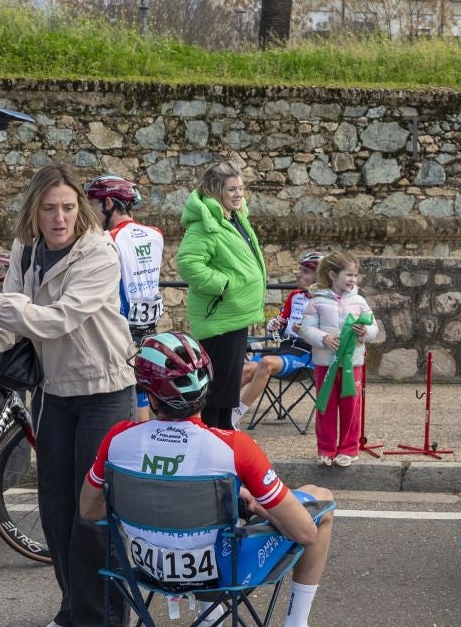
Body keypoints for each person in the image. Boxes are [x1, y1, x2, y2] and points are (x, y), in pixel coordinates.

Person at [0, 164, 138, 627]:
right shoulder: (27, 250)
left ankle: (107, 614)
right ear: (34, 209)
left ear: (82, 209)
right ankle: (73, 605)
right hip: (52, 390)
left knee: (91, 506)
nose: (59, 217)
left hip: (103, 389)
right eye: (49, 208)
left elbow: (55, 320)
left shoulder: (101, 253)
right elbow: (15, 323)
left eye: (69, 207)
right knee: (54, 506)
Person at [79, 331, 353, 627]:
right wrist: (257, 506)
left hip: (148, 569)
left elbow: (89, 510)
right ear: (206, 387)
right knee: (319, 501)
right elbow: (303, 533)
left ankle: (208, 617)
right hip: (220, 573)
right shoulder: (233, 447)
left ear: (150, 395)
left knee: (199, 512)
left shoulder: (118, 439)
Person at [176, 161, 268, 430]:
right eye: (231, 189)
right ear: (216, 191)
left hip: (234, 315)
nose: (238, 194)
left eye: (240, 188)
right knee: (218, 389)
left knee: (227, 387)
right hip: (220, 316)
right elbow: (188, 264)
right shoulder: (206, 224)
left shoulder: (235, 218)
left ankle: (222, 436)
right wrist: (224, 285)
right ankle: (215, 438)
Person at [86, 174, 165, 420]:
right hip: (149, 327)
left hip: (120, 329)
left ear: (108, 203)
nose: (90, 215)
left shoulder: (107, 240)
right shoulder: (156, 234)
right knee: (143, 396)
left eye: (92, 207)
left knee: (120, 404)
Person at [298, 252, 385, 467]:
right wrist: (323, 338)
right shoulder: (315, 302)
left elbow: (373, 328)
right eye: (348, 274)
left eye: (355, 275)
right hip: (324, 365)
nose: (353, 279)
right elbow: (306, 329)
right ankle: (325, 450)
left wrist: (363, 331)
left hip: (351, 364)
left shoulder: (359, 301)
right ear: (332, 274)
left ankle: (348, 449)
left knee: (351, 407)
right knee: (325, 407)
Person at [236, 250, 323, 424]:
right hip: (286, 347)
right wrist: (275, 324)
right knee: (246, 369)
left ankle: (234, 416)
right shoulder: (295, 296)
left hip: (307, 353)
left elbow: (329, 334)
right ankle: (216, 411)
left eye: (305, 272)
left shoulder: (326, 301)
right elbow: (282, 322)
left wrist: (306, 330)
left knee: (266, 363)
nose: (299, 274)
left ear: (318, 277)